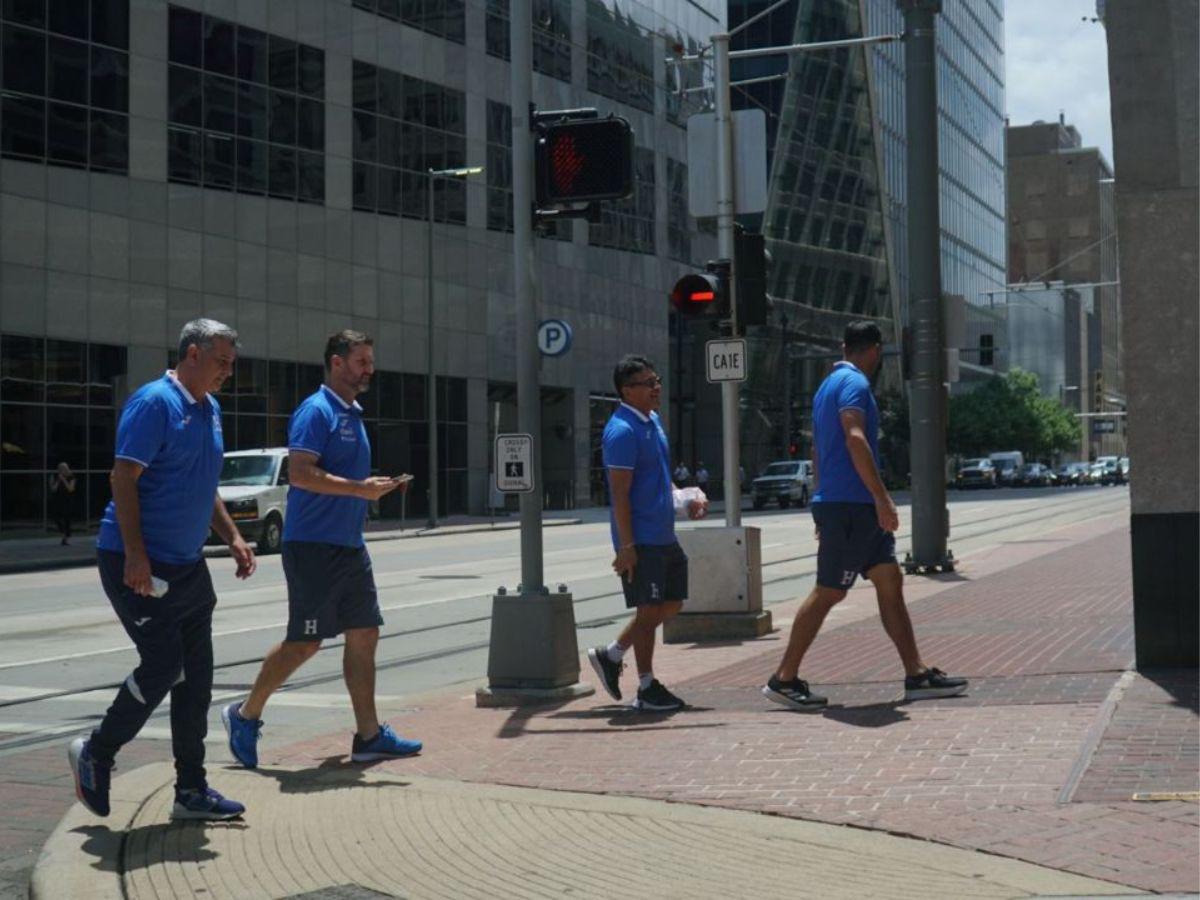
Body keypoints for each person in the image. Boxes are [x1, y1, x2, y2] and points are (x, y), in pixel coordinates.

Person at [69, 318, 255, 820]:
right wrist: (135, 554)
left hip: (188, 567)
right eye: (221, 362)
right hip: (137, 564)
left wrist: (233, 536)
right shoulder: (155, 402)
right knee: (163, 666)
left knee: (197, 681)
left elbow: (202, 485)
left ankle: (191, 792)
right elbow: (122, 477)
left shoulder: (209, 409)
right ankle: (96, 751)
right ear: (192, 354)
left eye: (231, 365)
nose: (227, 374)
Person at [222, 330, 420, 767]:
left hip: (349, 546)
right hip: (313, 547)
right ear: (336, 362)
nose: (369, 369)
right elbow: (300, 473)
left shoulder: (352, 413)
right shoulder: (317, 411)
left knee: (365, 633)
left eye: (370, 360)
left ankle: (369, 736)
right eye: (361, 361)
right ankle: (244, 714)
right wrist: (358, 490)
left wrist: (370, 490)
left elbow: (339, 481)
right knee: (305, 643)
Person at [761, 321, 968, 711]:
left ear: (844, 347)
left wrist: (820, 501)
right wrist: (882, 499)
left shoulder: (826, 387)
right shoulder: (855, 386)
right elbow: (855, 437)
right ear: (874, 350)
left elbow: (819, 451)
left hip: (842, 503)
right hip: (853, 505)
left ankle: (916, 673)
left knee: (889, 579)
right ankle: (783, 678)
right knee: (830, 591)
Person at [587, 355, 707, 711]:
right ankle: (646, 686)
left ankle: (611, 654)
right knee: (649, 608)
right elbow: (619, 494)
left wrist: (684, 501)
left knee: (670, 604)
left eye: (657, 381)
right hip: (640, 539)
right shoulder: (621, 431)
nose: (656, 388)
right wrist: (626, 546)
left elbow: (658, 475)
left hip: (663, 534)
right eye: (648, 383)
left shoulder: (652, 421)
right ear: (627, 391)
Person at [48, 462, 77, 545]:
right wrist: (58, 480)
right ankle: (63, 532)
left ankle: (65, 538)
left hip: (67, 500)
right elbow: (53, 489)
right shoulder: (55, 476)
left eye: (64, 469)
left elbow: (71, 489)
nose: (63, 471)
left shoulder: (71, 477)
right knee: (55, 516)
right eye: (61, 469)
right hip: (58, 500)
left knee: (67, 518)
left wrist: (64, 480)